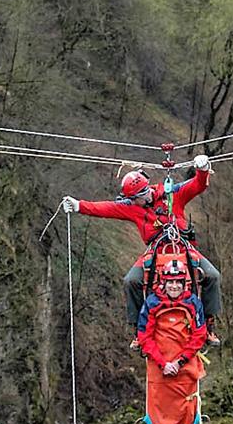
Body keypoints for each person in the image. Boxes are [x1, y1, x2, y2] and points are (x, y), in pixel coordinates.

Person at [62, 154, 221, 349]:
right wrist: (79, 206)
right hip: (155, 252)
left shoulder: (172, 195)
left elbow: (197, 185)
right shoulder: (133, 207)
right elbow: (107, 208)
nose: (132, 203)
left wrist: (203, 170)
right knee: (132, 281)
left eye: (135, 199)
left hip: (183, 247)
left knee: (212, 276)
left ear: (144, 193)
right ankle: (138, 329)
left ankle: (209, 325)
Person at [136, 258, 207, 375]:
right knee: (130, 281)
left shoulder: (193, 303)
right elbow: (145, 336)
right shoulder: (152, 303)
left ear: (184, 284)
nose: (174, 286)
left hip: (186, 367)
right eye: (170, 282)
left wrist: (180, 362)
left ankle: (211, 329)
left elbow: (199, 335)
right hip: (158, 368)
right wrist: (163, 364)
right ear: (164, 283)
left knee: (214, 277)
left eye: (178, 282)